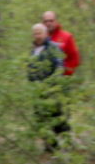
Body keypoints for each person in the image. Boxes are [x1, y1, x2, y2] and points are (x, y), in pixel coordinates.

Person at [27, 23, 70, 151]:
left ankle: (66, 142)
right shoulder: (33, 50)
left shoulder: (53, 48)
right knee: (40, 118)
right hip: (37, 91)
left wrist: (52, 85)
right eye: (35, 33)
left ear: (46, 34)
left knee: (56, 118)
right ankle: (50, 146)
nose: (37, 36)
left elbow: (60, 67)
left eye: (39, 33)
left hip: (51, 90)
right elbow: (30, 69)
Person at [42, 11, 79, 76]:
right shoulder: (40, 38)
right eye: (46, 21)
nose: (48, 23)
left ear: (56, 21)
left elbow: (75, 59)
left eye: (51, 21)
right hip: (44, 78)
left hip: (62, 78)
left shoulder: (67, 37)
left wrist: (64, 72)